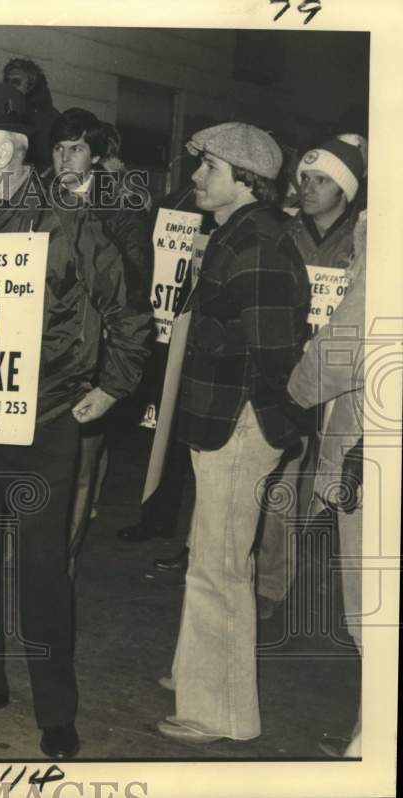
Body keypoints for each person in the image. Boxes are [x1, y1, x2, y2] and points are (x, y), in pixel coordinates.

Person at [0, 82, 151, 759]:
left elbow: (129, 314)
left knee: (43, 570)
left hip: (44, 421)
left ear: (6, 149)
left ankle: (56, 710)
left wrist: (112, 388)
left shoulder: (68, 223)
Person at [158, 122, 310, 744]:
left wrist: (264, 425)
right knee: (215, 560)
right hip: (226, 421)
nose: (196, 177)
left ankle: (221, 713)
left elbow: (279, 359)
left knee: (219, 568)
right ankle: (196, 673)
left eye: (210, 168)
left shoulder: (259, 245)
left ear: (246, 182)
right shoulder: (237, 234)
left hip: (240, 424)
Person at [255, 133, 368, 617]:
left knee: (332, 481)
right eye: (305, 178)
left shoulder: (360, 239)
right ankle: (273, 582)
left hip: (340, 380)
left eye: (323, 180)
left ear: (344, 188)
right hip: (292, 368)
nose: (310, 188)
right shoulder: (283, 233)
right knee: (282, 474)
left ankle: (322, 585)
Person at [49, 108, 153, 567]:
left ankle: (63, 562)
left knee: (83, 464)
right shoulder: (34, 200)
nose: (65, 158)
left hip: (95, 354)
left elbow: (134, 284)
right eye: (58, 148)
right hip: (45, 354)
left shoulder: (121, 207)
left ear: (94, 156)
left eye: (76, 148)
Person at [288, 210, 366, 758]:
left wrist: (288, 390)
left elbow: (340, 352)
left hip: (372, 450)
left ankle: (370, 746)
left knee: (370, 605)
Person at [2, 58, 59, 171]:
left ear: (31, 85)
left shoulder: (46, 118)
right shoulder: (6, 113)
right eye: (7, 81)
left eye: (16, 82)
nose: (9, 86)